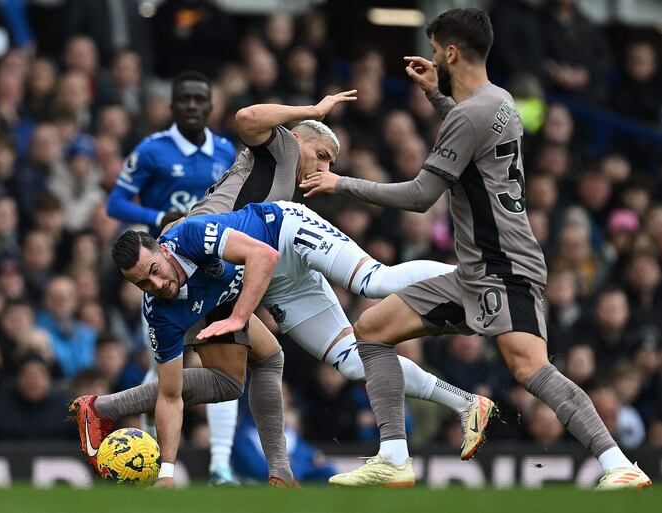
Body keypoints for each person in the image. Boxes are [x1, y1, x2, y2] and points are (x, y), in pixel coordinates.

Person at [300, 8, 651, 489]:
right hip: (476, 270)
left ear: (450, 52)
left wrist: (342, 183)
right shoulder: (500, 101)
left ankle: (618, 464)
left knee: (531, 367)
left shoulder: (470, 114)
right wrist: (435, 95)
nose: (430, 58)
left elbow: (422, 197)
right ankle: (394, 457)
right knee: (373, 328)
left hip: (504, 267)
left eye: (433, 50)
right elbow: (469, 134)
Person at [74, 195, 490, 487]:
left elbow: (263, 256)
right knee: (349, 361)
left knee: (373, 281)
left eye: (154, 269)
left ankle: (478, 276)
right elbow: (169, 394)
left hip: (285, 233)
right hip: (279, 288)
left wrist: (238, 316)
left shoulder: (188, 236)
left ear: (162, 249)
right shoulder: (159, 313)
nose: (156, 283)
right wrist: (166, 472)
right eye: (141, 282)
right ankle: (466, 403)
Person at [105, 70, 240, 485]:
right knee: (163, 371)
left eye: (201, 100)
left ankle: (220, 466)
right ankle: (144, 455)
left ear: (211, 106)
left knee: (224, 365)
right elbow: (115, 202)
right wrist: (156, 217)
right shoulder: (152, 150)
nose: (193, 106)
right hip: (163, 275)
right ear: (172, 106)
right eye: (185, 100)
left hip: (212, 273)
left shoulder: (226, 149)